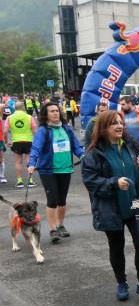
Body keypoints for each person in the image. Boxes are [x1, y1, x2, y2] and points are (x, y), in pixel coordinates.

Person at [81, 111, 139, 302]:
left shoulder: (132, 145)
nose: (119, 126)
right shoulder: (94, 153)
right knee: (117, 247)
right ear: (103, 128)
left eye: (120, 123)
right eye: (113, 123)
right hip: (111, 208)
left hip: (135, 202)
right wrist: (114, 183)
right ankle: (121, 283)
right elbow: (91, 181)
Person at [27, 102, 84, 243]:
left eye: (57, 111)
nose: (55, 113)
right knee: (52, 201)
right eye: (52, 111)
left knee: (62, 200)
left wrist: (83, 155)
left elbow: (76, 145)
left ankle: (61, 225)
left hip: (65, 168)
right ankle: (53, 230)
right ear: (46, 115)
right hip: (48, 170)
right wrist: (32, 163)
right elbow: (36, 148)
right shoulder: (43, 130)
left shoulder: (66, 128)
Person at [6, 101, 37, 188]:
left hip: (16, 141)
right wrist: (37, 141)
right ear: (23, 108)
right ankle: (30, 181)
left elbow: (5, 131)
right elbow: (34, 130)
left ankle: (20, 182)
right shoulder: (29, 117)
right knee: (29, 161)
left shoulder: (10, 117)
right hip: (28, 141)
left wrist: (6, 141)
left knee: (18, 162)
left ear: (14, 108)